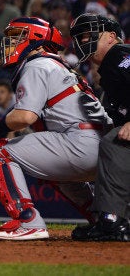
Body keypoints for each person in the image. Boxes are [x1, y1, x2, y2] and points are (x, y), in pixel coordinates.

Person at [0, 17, 112, 240]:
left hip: (79, 143)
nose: (10, 43)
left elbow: (24, 116)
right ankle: (103, 220)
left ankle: (28, 221)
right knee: (57, 174)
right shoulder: (59, 65)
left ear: (35, 38)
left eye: (17, 36)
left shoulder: (37, 64)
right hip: (104, 149)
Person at [69, 13, 130, 241]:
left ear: (112, 37)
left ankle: (111, 221)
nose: (84, 41)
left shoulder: (119, 54)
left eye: (90, 34)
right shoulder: (109, 72)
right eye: (81, 37)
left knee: (113, 144)